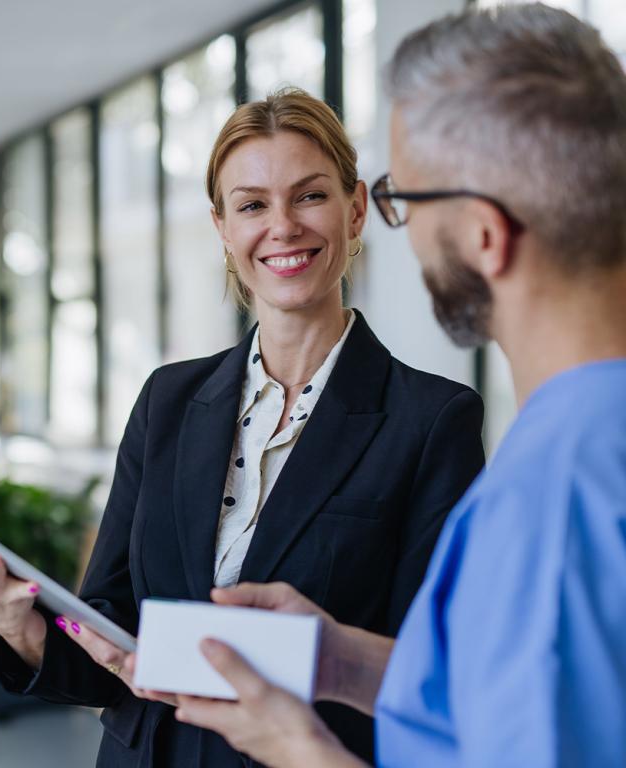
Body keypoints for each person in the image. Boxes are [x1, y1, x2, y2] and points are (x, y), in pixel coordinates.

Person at [0, 89, 485, 767]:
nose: (283, 226)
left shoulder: (432, 420)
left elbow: (429, 670)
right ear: (222, 227)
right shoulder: (169, 400)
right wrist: (23, 628)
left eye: (309, 196)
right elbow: (108, 629)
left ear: (356, 209)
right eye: (251, 205)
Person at [169, 4, 626, 767]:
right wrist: (343, 661)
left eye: (401, 200)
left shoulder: (547, 502)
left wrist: (299, 748)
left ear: (484, 233)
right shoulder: (585, 445)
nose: (398, 229)